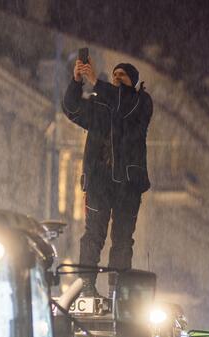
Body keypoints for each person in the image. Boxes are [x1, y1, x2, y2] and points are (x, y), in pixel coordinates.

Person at [62, 55, 153, 297]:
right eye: (114, 76)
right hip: (99, 181)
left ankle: (118, 290)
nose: (116, 79)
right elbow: (71, 109)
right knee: (93, 234)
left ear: (133, 82)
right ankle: (87, 287)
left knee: (123, 238)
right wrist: (76, 81)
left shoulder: (141, 102)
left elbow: (124, 107)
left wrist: (98, 83)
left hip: (128, 183)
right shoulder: (100, 103)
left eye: (122, 76)